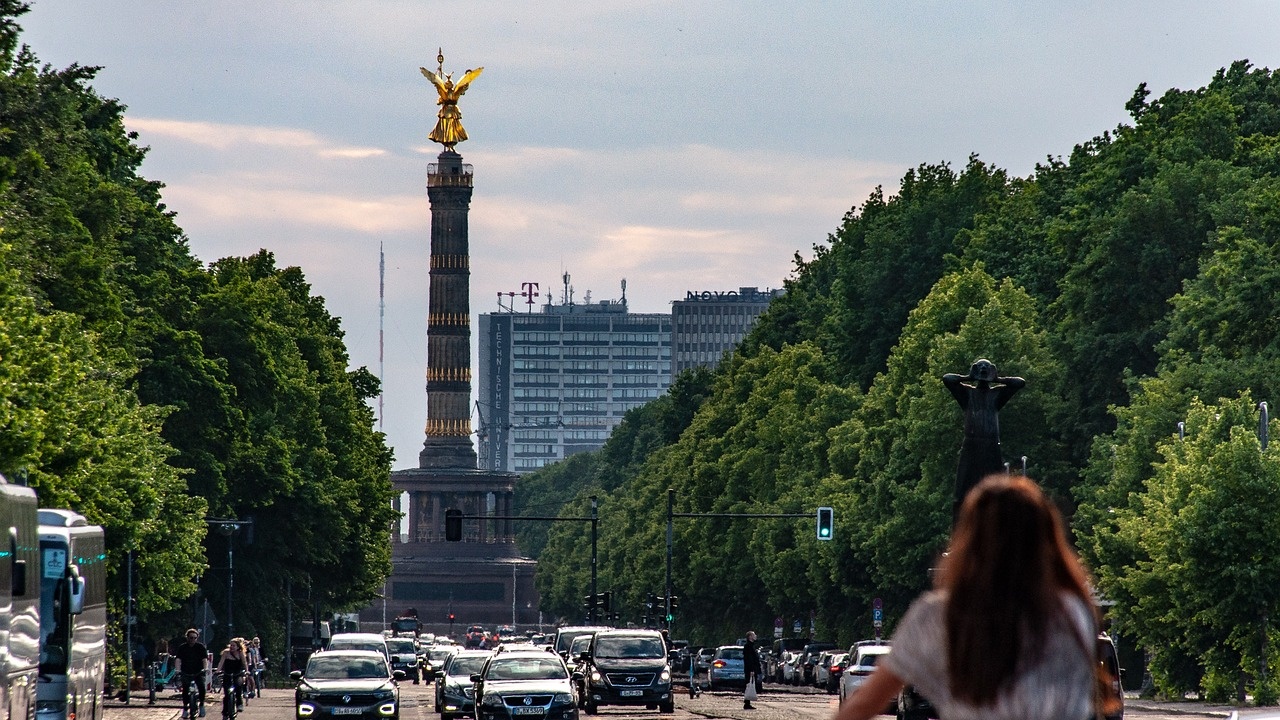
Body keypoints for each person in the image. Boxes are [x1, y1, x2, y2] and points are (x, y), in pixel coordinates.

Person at [833, 475, 1097, 720]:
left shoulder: (939, 616)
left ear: (970, 539)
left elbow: (864, 704)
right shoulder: (1073, 613)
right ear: (1046, 540)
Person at [174, 628, 209, 719]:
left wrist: (205, 669)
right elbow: (178, 659)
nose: (192, 640)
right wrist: (177, 670)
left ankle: (201, 705)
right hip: (186, 671)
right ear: (187, 637)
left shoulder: (200, 647)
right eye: (191, 637)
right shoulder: (182, 647)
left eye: (195, 638)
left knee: (201, 687)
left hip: (198, 671)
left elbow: (204, 659)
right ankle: (185, 708)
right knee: (185, 689)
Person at [216, 638, 248, 713]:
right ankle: (225, 711)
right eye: (231, 645)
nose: (232, 647)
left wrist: (247, 671)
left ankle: (239, 704)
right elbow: (221, 662)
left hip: (237, 674)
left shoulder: (240, 653)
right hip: (227, 674)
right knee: (226, 694)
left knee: (238, 687)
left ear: (238, 647)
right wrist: (218, 670)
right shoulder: (225, 653)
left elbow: (244, 663)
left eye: (234, 645)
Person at [741, 631, 761, 710]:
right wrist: (752, 669)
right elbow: (749, 659)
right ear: (750, 637)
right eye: (754, 635)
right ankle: (747, 703)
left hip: (752, 669)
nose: (755, 636)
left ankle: (747, 702)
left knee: (750, 685)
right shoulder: (748, 646)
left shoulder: (751, 646)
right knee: (749, 685)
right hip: (750, 670)